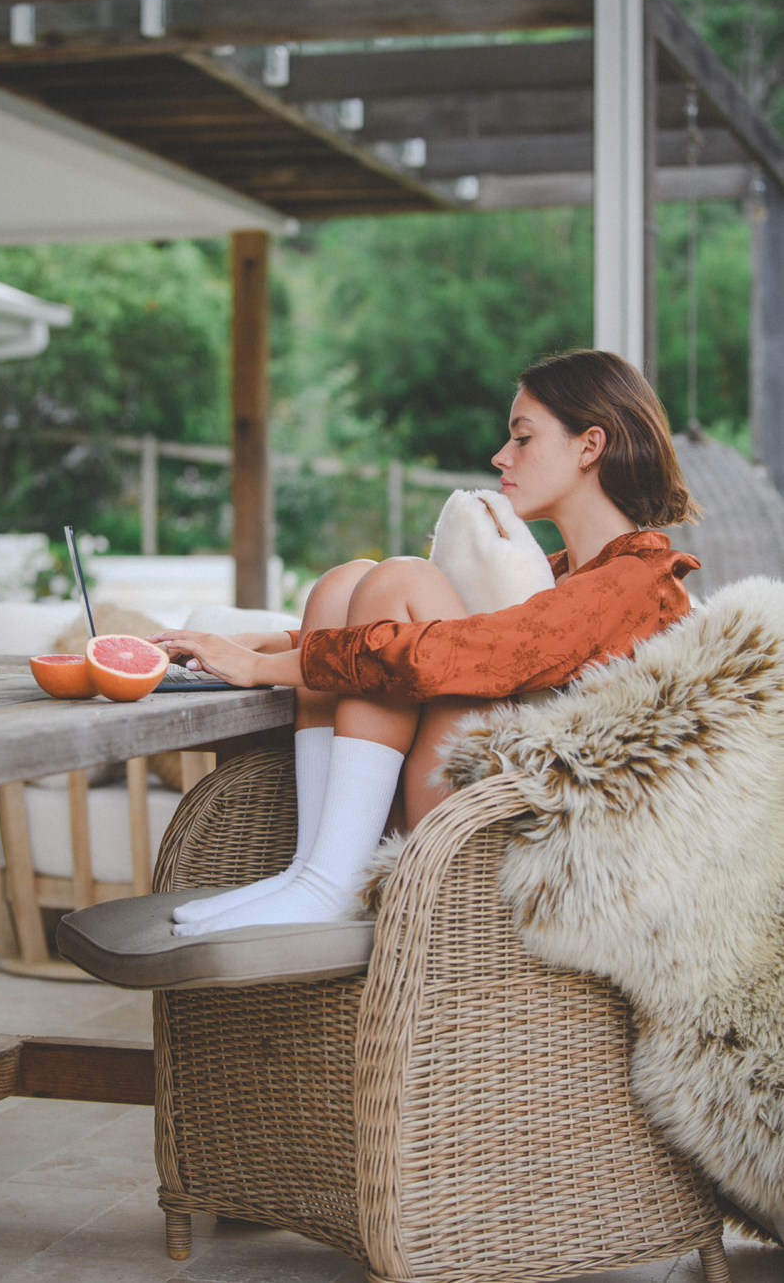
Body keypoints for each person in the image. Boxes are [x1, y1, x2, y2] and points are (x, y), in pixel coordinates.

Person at [149, 349, 700, 937]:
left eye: (522, 439)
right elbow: (468, 638)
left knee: (403, 579)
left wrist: (267, 668)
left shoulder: (640, 579)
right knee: (344, 584)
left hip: (525, 824)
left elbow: (482, 655)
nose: (500, 457)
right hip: (473, 784)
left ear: (590, 446)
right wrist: (270, 643)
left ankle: (330, 882)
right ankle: (314, 869)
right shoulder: (560, 575)